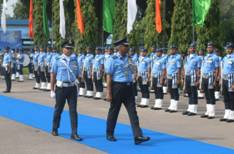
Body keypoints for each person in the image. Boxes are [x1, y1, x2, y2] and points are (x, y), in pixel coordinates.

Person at [105, 38, 150, 145]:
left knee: (133, 112)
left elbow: (134, 70)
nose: (127, 48)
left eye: (127, 46)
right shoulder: (112, 59)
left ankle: (137, 136)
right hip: (117, 87)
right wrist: (108, 92)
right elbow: (109, 76)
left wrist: (135, 72)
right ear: (119, 47)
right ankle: (109, 133)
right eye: (125, 46)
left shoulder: (129, 58)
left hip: (128, 87)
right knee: (114, 111)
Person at [50, 40, 82, 141]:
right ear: (63, 49)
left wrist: (79, 87)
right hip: (61, 88)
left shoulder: (75, 60)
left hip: (72, 88)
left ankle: (74, 132)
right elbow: (53, 74)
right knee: (58, 109)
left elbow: (78, 74)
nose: (69, 50)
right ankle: (55, 128)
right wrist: (51, 89)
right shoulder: (57, 59)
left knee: (73, 111)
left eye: (71, 48)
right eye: (67, 48)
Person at [200, 42, 219, 119]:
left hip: (211, 77)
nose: (209, 49)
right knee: (206, 95)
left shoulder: (215, 57)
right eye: (208, 47)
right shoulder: (205, 57)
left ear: (213, 48)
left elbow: (217, 69)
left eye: (210, 47)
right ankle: (208, 111)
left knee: (211, 94)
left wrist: (216, 79)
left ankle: (212, 113)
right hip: (204, 77)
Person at [182, 43, 201, 116]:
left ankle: (194, 110)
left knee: (193, 93)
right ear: (189, 49)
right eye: (191, 48)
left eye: (193, 48)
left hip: (194, 76)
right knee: (189, 92)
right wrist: (183, 74)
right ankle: (190, 108)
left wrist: (198, 79)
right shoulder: (187, 57)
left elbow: (199, 69)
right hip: (187, 76)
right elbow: (184, 67)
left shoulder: (197, 58)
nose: (192, 49)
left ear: (195, 49)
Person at [220, 42, 234, 122]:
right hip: (225, 79)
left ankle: (232, 116)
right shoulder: (225, 58)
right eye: (227, 48)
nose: (227, 50)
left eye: (229, 48)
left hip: (231, 79)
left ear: (232, 49)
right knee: (226, 97)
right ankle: (227, 114)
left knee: (232, 97)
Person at [165, 45, 181, 113]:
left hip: (174, 76)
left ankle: (175, 107)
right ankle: (171, 106)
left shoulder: (177, 57)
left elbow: (179, 68)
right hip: (169, 76)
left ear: (176, 50)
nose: (172, 50)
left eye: (173, 49)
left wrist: (178, 78)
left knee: (175, 91)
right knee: (170, 91)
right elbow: (167, 68)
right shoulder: (169, 58)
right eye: (171, 49)